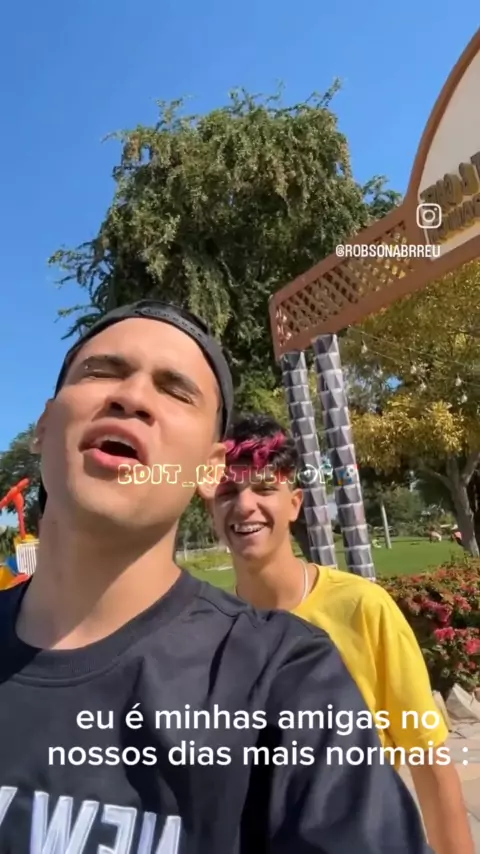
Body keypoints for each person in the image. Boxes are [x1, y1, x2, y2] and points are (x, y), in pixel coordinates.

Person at [0, 301, 431, 854]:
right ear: (43, 426)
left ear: (208, 469)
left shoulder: (288, 680)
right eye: (102, 371)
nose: (131, 397)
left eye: (175, 391)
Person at [209, 412, 474, 854]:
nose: (245, 505)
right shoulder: (209, 628)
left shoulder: (362, 608)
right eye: (227, 492)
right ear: (210, 509)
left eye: (264, 488)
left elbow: (427, 758)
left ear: (295, 503)